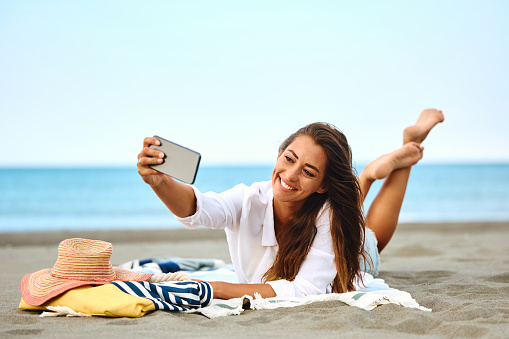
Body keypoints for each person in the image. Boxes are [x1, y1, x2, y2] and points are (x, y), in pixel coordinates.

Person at [137, 109, 444, 299]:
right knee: (344, 211)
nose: (291, 175)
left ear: (323, 183)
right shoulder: (250, 198)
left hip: (347, 251)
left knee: (372, 237)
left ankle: (400, 159)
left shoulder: (329, 219)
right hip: (328, 207)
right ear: (279, 154)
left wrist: (216, 289)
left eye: (308, 171)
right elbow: (198, 209)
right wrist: (161, 182)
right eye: (289, 159)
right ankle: (364, 178)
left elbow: (304, 290)